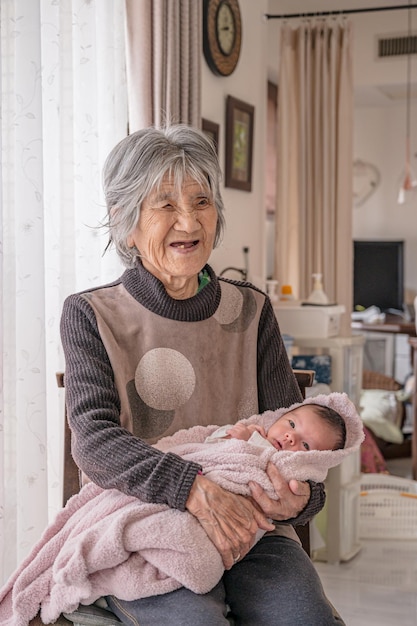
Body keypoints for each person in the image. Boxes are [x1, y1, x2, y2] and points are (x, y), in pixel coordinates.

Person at [59, 124, 344, 625]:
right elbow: (95, 441)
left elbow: (299, 440)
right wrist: (192, 486)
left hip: (251, 527)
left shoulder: (251, 310)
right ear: (125, 221)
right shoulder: (92, 314)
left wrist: (299, 501)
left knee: (307, 620)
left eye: (201, 201)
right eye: (165, 204)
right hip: (143, 524)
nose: (188, 220)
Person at [208, 399, 347, 452]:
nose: (291, 437)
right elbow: (209, 444)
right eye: (292, 424)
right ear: (280, 416)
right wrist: (233, 434)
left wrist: (246, 442)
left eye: (306, 445)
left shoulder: (284, 467)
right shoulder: (254, 431)